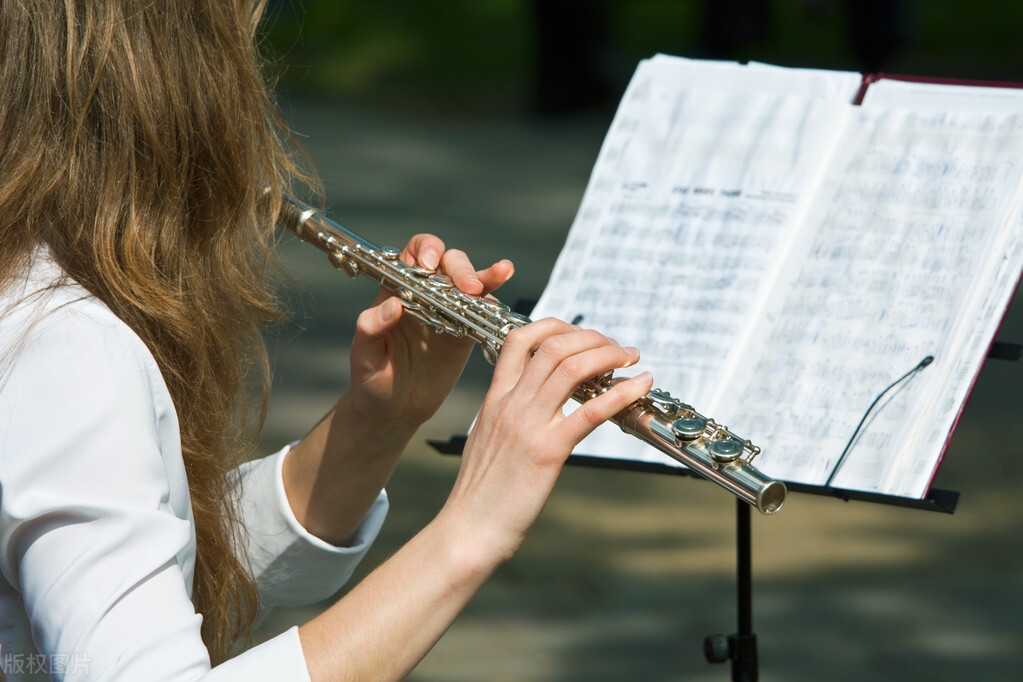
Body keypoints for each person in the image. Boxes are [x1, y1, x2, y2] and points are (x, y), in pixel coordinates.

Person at [0, 2, 653, 680]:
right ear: (174, 77)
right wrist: (474, 526)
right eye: (239, 41)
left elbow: (146, 576)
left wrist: (374, 422)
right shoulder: (64, 347)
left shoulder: (36, 292)